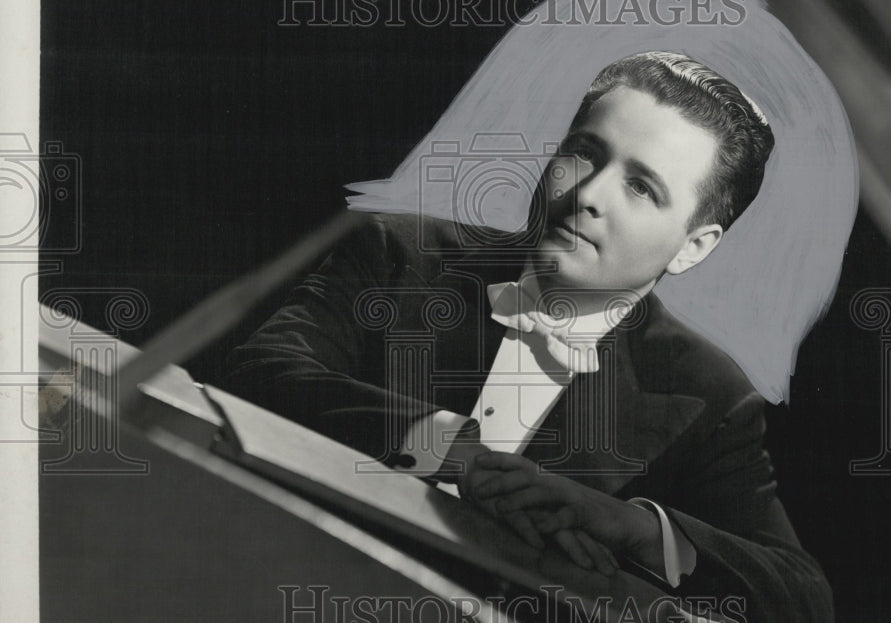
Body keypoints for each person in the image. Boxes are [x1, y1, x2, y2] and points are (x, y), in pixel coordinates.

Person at [220, 51, 834, 623]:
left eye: (641, 187)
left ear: (693, 247)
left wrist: (632, 528)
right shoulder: (400, 252)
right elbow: (261, 372)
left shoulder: (711, 395)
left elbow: (801, 596)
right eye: (585, 153)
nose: (589, 194)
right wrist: (455, 452)